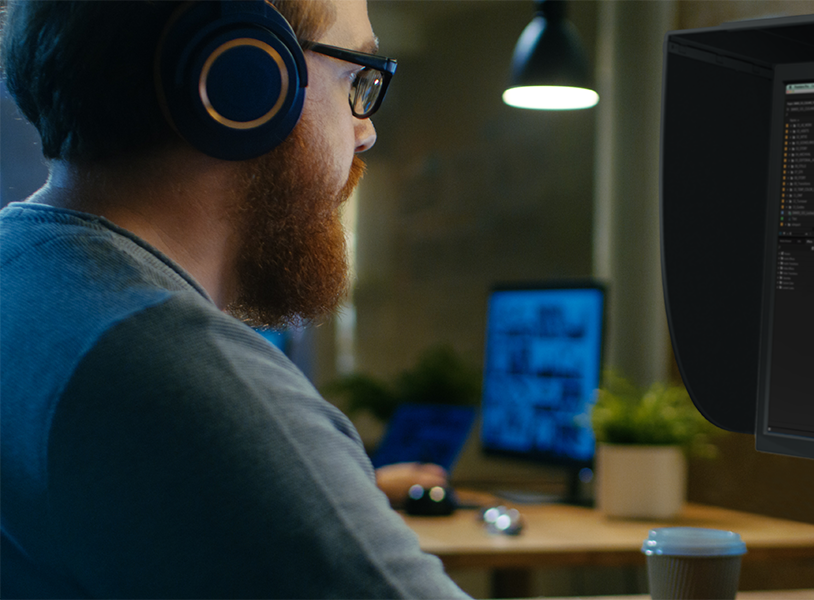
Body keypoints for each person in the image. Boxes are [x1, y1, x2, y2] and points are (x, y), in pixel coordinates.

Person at [0, 1, 473, 598]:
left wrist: (324, 491)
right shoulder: (168, 370)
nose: (366, 130)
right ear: (245, 80)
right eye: (354, 77)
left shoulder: (20, 270)